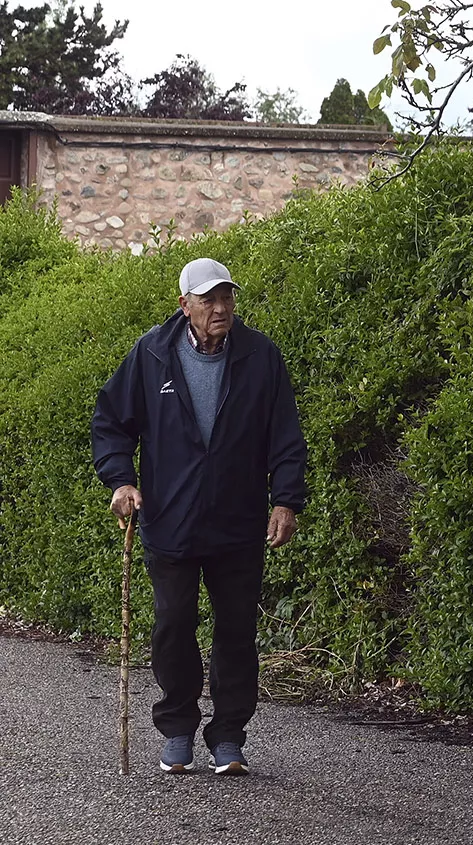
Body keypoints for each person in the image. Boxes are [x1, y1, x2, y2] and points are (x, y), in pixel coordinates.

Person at [92, 257, 307, 775]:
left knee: (236, 630)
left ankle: (229, 736)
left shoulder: (260, 356)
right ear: (184, 305)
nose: (220, 308)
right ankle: (178, 729)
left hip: (237, 521)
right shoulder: (151, 354)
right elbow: (112, 423)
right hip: (171, 520)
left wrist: (286, 500)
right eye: (208, 299)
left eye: (227, 297)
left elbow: (285, 435)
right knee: (173, 626)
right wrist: (121, 480)